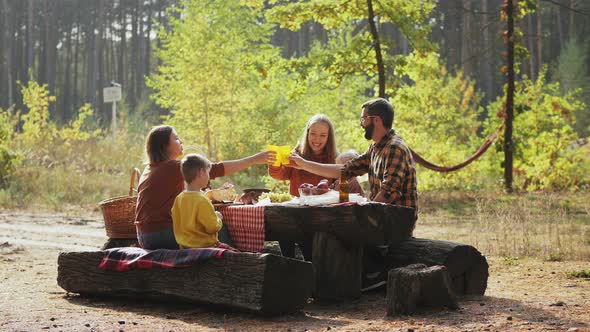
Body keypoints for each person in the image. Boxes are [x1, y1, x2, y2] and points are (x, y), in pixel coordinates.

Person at [287, 98, 418, 290]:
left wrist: (364, 214)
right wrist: (302, 163)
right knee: (332, 223)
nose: (361, 123)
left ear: (376, 120)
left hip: (397, 220)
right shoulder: (376, 147)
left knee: (341, 224)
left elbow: (388, 193)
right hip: (382, 214)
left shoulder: (394, 148)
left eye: (364, 119)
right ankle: (338, 279)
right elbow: (345, 170)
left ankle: (369, 276)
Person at [135, 125, 270, 250]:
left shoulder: (151, 169)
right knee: (216, 226)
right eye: (176, 138)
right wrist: (254, 159)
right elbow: (215, 169)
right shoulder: (172, 167)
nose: (181, 141)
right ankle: (233, 261)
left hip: (144, 235)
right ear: (164, 146)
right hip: (160, 234)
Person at [267, 114, 338, 261]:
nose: (317, 140)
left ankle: (310, 270)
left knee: (309, 246)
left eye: (322, 135)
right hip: (295, 213)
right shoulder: (298, 153)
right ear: (307, 133)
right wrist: (275, 163)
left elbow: (339, 187)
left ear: (329, 138)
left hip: (320, 216)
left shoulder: (334, 159)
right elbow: (280, 174)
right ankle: (290, 267)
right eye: (313, 134)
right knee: (283, 229)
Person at [171, 153, 236, 250]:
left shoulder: (179, 198)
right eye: (208, 173)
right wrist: (217, 218)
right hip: (205, 247)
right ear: (201, 172)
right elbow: (212, 227)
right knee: (235, 253)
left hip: (184, 247)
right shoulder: (202, 200)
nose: (209, 177)